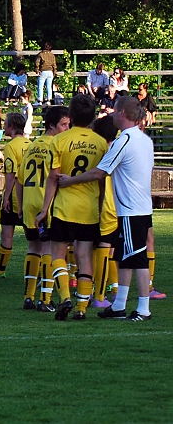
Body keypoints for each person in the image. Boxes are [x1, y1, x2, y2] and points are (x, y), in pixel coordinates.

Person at [59, 96, 154, 321]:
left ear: (122, 114)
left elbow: (100, 171)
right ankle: (119, 304)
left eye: (114, 112)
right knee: (123, 256)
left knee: (136, 258)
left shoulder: (125, 140)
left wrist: (69, 181)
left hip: (132, 209)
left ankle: (143, 309)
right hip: (138, 206)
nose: (110, 116)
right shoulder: (144, 140)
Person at [36, 94, 108, 320]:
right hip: (89, 209)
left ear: (72, 114)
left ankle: (65, 296)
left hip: (64, 207)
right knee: (85, 256)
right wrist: (100, 206)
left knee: (58, 253)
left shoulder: (60, 140)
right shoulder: (101, 143)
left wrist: (45, 209)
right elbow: (102, 179)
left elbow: (53, 178)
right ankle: (81, 307)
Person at [15, 106, 70, 311]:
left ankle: (28, 297)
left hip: (29, 202)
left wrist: (20, 206)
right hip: (46, 203)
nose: (67, 128)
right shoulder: (57, 146)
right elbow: (56, 177)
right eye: (64, 124)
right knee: (50, 250)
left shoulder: (33, 145)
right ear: (51, 126)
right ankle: (45, 299)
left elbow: (19, 180)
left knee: (33, 248)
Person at [0, 113, 31, 280]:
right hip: (30, 197)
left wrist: (7, 197)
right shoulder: (32, 145)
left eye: (6, 124)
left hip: (16, 197)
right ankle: (36, 273)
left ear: (11, 127)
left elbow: (11, 174)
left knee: (7, 234)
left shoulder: (10, 147)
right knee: (33, 238)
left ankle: (1, 271)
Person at [89, 115, 119, 308]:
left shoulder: (97, 151)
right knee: (105, 250)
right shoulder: (111, 151)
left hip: (90, 206)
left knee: (89, 249)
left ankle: (91, 291)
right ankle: (101, 296)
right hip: (108, 208)